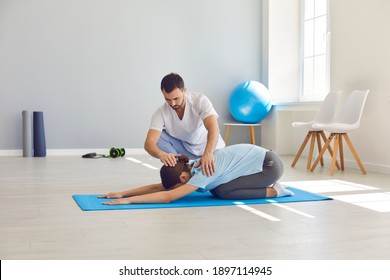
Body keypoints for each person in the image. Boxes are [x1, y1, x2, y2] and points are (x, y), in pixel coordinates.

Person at [99, 144, 294, 205]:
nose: (180, 188)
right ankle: (271, 189)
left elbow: (167, 196)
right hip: (260, 161)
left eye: (179, 185)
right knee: (219, 189)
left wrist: (129, 202)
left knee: (223, 192)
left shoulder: (202, 172)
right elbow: (163, 188)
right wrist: (123, 193)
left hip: (269, 166)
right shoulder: (188, 167)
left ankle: (276, 191)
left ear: (183, 178)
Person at [144, 73, 225, 177]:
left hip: (211, 148)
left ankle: (203, 160)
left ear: (184, 90)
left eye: (176, 98)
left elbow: (213, 127)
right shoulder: (161, 112)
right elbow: (148, 143)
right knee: (160, 137)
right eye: (168, 99)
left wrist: (208, 153)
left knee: (215, 180)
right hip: (187, 149)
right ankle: (180, 167)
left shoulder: (199, 100)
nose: (172, 104)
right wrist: (161, 154)